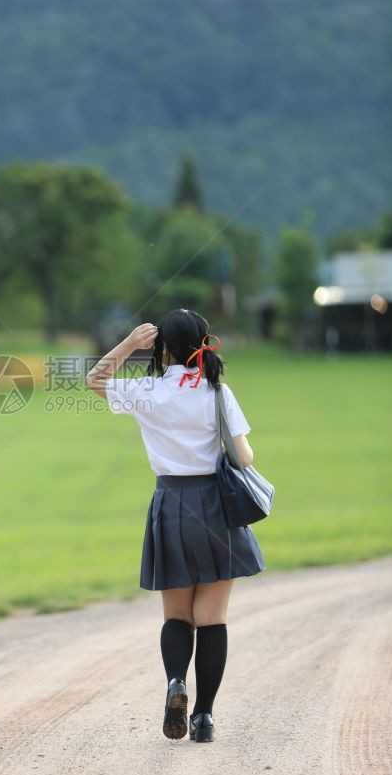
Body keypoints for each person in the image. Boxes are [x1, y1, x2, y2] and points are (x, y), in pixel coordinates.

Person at [85, 308, 266, 743]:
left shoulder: (148, 391)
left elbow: (94, 380)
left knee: (177, 615)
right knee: (212, 618)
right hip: (217, 507)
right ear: (205, 344)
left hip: (170, 504)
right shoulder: (218, 391)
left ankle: (175, 683)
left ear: (162, 347)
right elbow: (243, 458)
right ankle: (203, 717)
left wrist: (129, 344)